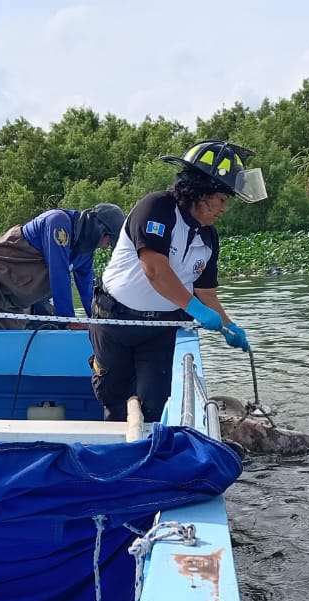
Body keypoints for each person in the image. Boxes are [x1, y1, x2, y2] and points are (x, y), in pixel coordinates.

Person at [91, 140, 263, 423]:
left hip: (161, 327)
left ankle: (149, 455)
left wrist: (228, 325)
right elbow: (155, 269)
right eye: (221, 199)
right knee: (114, 399)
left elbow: (205, 292)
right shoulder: (156, 208)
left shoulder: (208, 237)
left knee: (154, 403)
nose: (223, 209)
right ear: (201, 191)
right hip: (115, 321)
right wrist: (193, 309)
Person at [0, 203, 125, 329]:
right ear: (98, 228)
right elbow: (59, 274)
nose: (107, 245)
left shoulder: (85, 253)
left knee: (10, 335)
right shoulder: (59, 222)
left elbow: (87, 291)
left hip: (14, 297)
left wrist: (101, 324)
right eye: (109, 239)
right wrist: (68, 321)